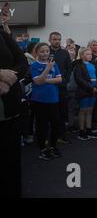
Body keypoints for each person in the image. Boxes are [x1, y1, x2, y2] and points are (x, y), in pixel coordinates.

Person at [0, 24, 28, 197]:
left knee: (10, 161)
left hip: (10, 108)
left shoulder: (2, 35)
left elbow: (22, 62)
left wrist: (7, 81)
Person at [30, 42, 63, 160]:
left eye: (47, 51)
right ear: (37, 52)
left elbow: (59, 79)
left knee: (55, 123)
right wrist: (47, 69)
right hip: (40, 100)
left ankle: (53, 146)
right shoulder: (34, 65)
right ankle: (43, 149)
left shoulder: (54, 64)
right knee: (42, 125)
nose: (45, 53)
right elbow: (37, 81)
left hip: (53, 98)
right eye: (42, 51)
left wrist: (46, 80)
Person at [72, 48, 97, 141]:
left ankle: (88, 129)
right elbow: (79, 79)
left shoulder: (94, 66)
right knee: (83, 110)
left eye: (90, 54)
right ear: (82, 55)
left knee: (90, 111)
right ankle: (81, 131)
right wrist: (90, 87)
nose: (90, 56)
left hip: (94, 91)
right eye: (87, 54)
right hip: (84, 91)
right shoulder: (78, 66)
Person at [49, 31, 72, 144]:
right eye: (54, 39)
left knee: (62, 112)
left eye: (59, 39)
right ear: (50, 40)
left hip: (62, 87)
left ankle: (62, 134)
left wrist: (65, 81)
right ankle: (49, 136)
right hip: (48, 87)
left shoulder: (65, 53)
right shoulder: (46, 52)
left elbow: (69, 68)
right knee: (50, 113)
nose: (57, 41)